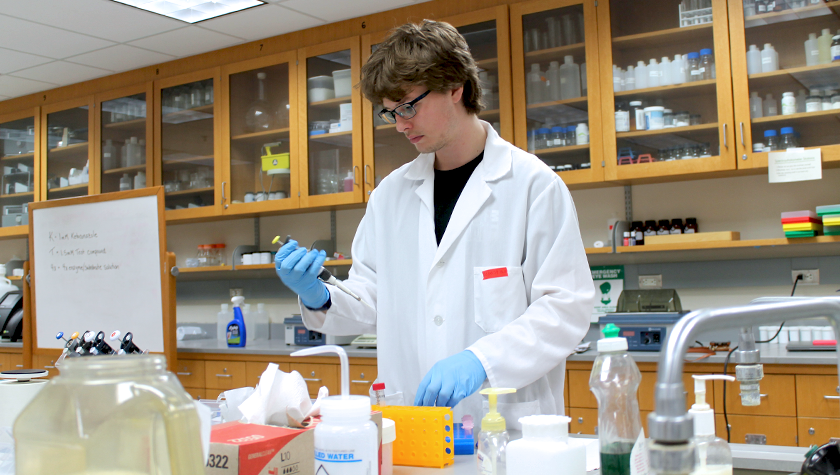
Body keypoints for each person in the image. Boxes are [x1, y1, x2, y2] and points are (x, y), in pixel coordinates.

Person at [275, 20, 595, 426]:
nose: (400, 124)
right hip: (412, 424)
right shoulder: (390, 195)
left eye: (409, 106)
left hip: (504, 428)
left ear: (455, 87)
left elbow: (565, 309)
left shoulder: (533, 186)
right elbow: (370, 297)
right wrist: (318, 295)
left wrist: (481, 361)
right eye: (389, 112)